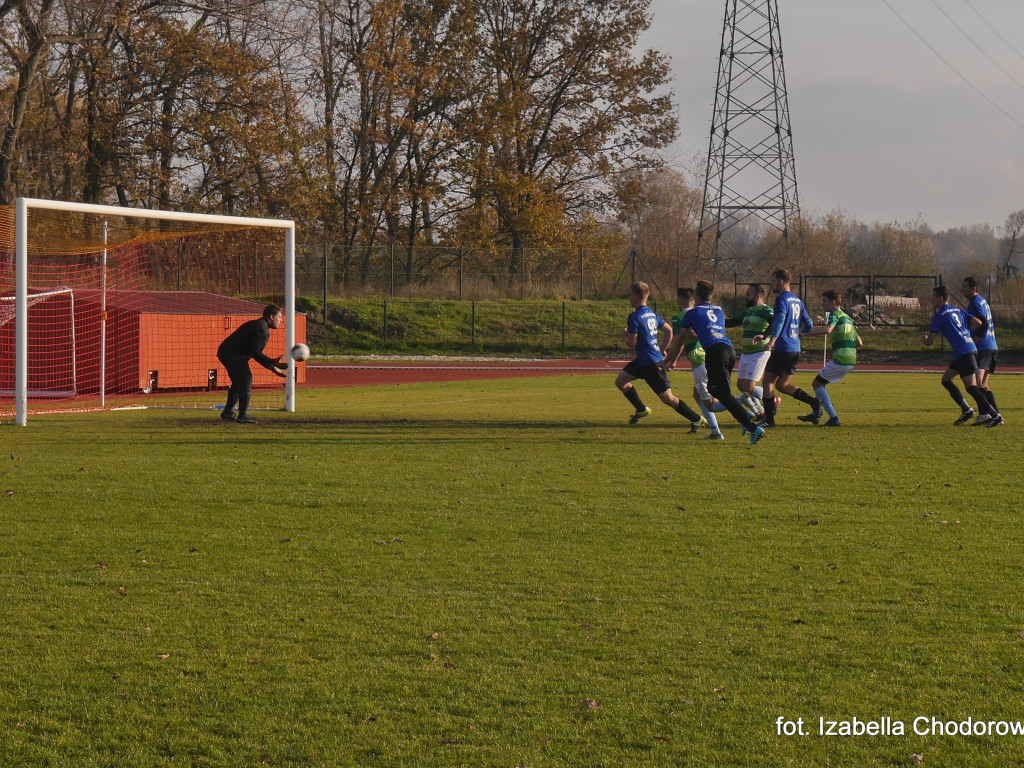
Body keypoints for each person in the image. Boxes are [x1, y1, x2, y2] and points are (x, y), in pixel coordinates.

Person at [674, 279, 765, 444]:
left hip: (715, 353)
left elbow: (679, 341)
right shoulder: (718, 310)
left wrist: (668, 361)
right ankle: (745, 420)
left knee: (721, 393)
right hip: (729, 351)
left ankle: (752, 426)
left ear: (696, 295)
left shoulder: (691, 313)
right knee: (717, 391)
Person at [615, 282, 704, 427]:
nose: (629, 298)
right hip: (644, 360)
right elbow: (668, 330)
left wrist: (624, 336)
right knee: (621, 381)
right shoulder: (651, 313)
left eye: (630, 295)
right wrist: (663, 349)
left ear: (637, 296)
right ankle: (641, 409)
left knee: (667, 398)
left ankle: (697, 419)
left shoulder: (635, 316)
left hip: (651, 363)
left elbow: (631, 343)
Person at [922, 285, 1000, 426]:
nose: (931, 299)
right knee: (946, 380)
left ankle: (994, 415)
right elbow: (978, 322)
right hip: (968, 349)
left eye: (933, 297)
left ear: (940, 298)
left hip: (965, 353)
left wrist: (924, 339)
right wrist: (964, 333)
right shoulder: (958, 309)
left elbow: (930, 342)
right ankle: (967, 409)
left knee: (971, 387)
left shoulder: (939, 316)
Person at [754, 269, 822, 427]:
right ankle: (815, 403)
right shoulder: (797, 300)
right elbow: (809, 324)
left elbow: (780, 319)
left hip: (783, 348)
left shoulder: (782, 299)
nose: (772, 285)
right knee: (782, 385)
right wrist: (799, 334)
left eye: (773, 281)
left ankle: (769, 421)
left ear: (781, 281)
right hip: (794, 348)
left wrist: (772, 340)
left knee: (768, 382)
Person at [798, 290, 862, 427]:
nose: (822, 304)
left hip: (841, 359)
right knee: (822, 383)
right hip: (851, 360)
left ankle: (833, 417)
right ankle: (816, 414)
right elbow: (860, 342)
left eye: (824, 301)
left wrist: (804, 334)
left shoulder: (835, 315)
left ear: (833, 302)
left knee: (816, 384)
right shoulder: (847, 318)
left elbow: (828, 330)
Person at [217, 304, 288, 424]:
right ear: (271, 316)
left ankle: (228, 412)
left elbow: (255, 353)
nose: (281, 320)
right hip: (232, 354)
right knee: (246, 380)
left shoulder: (261, 325)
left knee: (239, 382)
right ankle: (242, 416)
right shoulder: (261, 328)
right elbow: (255, 352)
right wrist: (271, 362)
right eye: (280, 317)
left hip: (227, 352)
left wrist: (272, 367)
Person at [963, 276, 1002, 426]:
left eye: (965, 287)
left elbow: (983, 322)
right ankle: (996, 415)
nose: (962, 289)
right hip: (992, 346)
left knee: (978, 383)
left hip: (984, 346)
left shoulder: (975, 302)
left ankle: (985, 414)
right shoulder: (983, 301)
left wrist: (977, 338)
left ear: (974, 289)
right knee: (984, 384)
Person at [736, 283, 774, 417]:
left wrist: (764, 335)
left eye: (748, 294)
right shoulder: (748, 311)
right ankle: (770, 402)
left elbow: (774, 324)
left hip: (759, 352)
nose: (745, 297)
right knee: (741, 385)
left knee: (748, 388)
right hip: (746, 353)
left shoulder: (766, 310)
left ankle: (761, 409)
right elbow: (734, 321)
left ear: (757, 296)